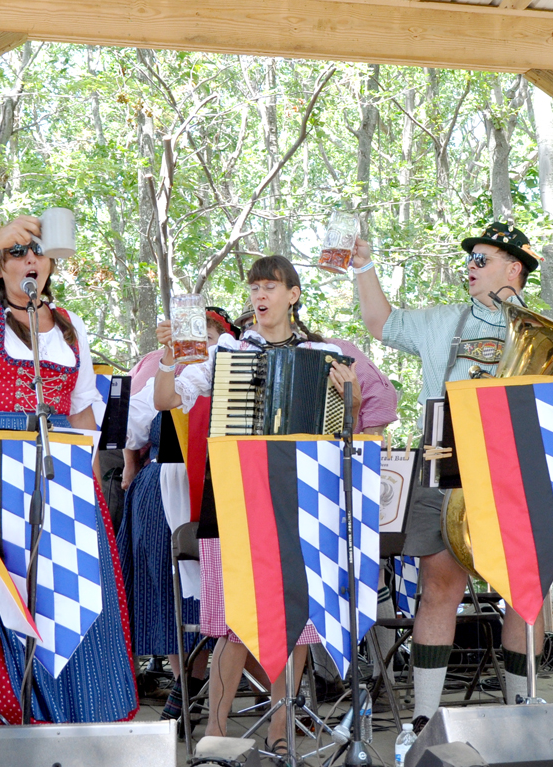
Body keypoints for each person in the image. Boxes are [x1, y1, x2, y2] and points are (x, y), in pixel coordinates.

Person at [154, 255, 397, 757]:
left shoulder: (327, 351)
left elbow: (345, 430)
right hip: (234, 495)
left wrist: (348, 396)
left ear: (293, 294)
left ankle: (282, 724)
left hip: (303, 497)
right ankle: (214, 732)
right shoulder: (224, 350)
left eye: (270, 285)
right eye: (254, 287)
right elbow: (164, 401)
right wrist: (167, 359)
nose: (259, 295)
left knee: (300, 620)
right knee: (234, 620)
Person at [0, 216, 138, 725]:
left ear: (51, 264)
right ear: (0, 266)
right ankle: (4, 723)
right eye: (18, 253)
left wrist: (88, 485)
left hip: (59, 470)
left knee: (70, 593)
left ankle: (81, 720)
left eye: (38, 252)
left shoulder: (68, 323)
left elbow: (83, 409)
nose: (29, 260)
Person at [352, 221, 547, 731]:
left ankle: (524, 713)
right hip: (443, 459)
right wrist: (363, 264)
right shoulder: (442, 320)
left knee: (525, 589)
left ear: (514, 269)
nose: (470, 268)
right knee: (441, 586)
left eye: (481, 260)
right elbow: (380, 323)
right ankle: (423, 718)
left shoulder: (547, 334)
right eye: (470, 260)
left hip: (511, 467)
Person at [116, 309, 234, 724]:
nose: (194, 340)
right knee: (163, 583)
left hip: (221, 480)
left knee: (214, 583)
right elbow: (130, 431)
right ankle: (186, 678)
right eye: (188, 333)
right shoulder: (165, 371)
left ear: (221, 336)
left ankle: (201, 680)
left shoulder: (231, 362)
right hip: (165, 482)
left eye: (203, 333)